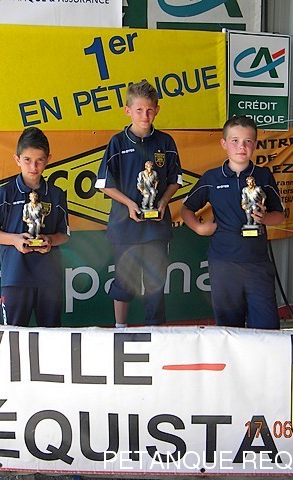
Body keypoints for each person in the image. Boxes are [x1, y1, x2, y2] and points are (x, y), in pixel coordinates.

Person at [181, 115, 284, 329]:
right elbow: (186, 209)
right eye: (235, 140)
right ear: (224, 143)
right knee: (229, 330)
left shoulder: (263, 176)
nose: (241, 147)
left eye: (248, 141)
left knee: (266, 329)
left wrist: (265, 218)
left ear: (255, 144)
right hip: (223, 264)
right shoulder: (212, 178)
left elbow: (280, 215)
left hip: (258, 264)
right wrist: (199, 228)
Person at [95, 80, 182, 328]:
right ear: (128, 110)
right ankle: (120, 328)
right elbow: (104, 183)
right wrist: (129, 204)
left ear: (157, 110)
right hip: (125, 225)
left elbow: (175, 179)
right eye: (139, 110)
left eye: (150, 110)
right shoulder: (117, 143)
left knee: (155, 281)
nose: (145, 115)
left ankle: (155, 329)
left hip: (156, 226)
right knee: (124, 279)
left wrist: (163, 201)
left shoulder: (166, 142)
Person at [0, 127, 69, 327]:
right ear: (17, 159)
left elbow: (64, 234)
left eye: (39, 160)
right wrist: (15, 239)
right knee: (13, 335)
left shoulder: (56, 194)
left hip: (49, 279)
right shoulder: (5, 193)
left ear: (48, 160)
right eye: (27, 160)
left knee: (51, 337)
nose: (33, 166)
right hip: (15, 277)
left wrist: (49, 240)